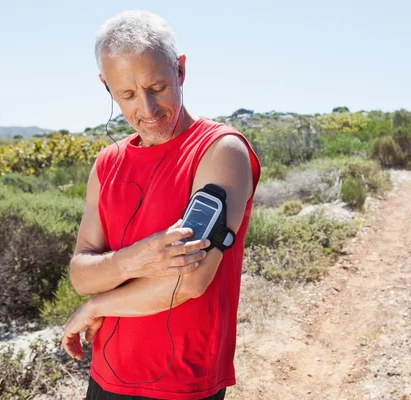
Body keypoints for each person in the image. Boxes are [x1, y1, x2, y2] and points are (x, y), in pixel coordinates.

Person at [61, 10, 261, 400]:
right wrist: (135, 259)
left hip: (183, 383)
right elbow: (81, 275)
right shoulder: (107, 164)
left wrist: (96, 306)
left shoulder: (220, 151)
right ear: (107, 87)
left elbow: (189, 280)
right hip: (105, 376)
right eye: (128, 95)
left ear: (181, 70)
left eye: (158, 87)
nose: (148, 110)